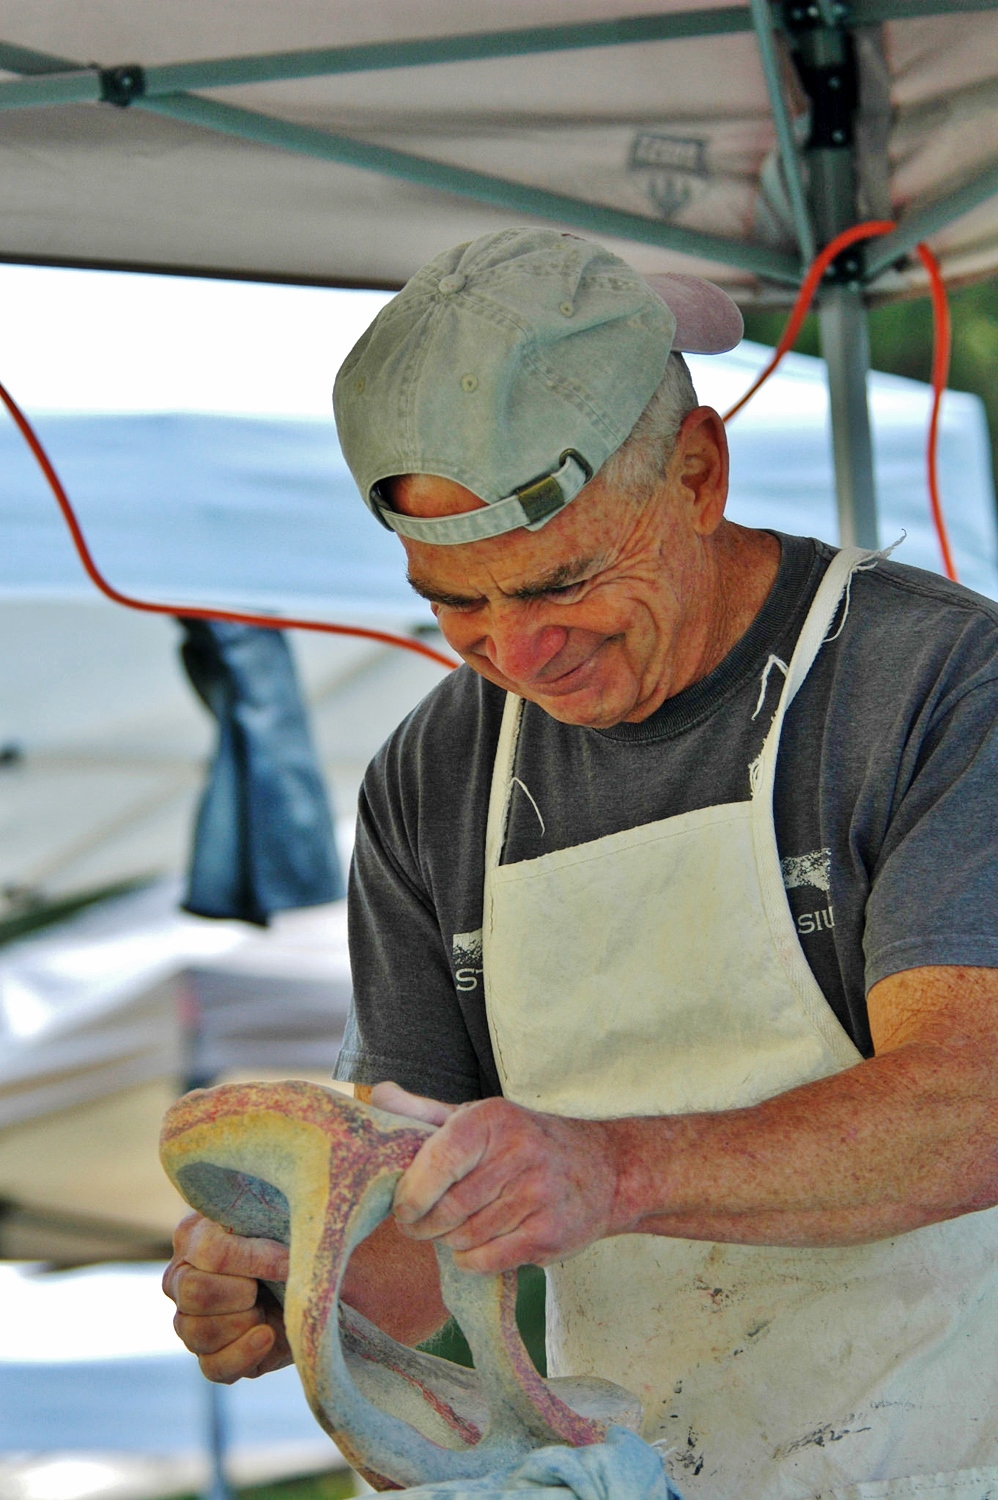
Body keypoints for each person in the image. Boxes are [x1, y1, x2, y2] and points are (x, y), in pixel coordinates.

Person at [164, 229, 998, 1499]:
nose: (517, 652)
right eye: (454, 601)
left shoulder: (930, 686)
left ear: (697, 470)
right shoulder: (429, 782)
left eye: (562, 580)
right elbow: (408, 1225)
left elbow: (972, 1104)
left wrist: (610, 1173)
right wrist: (298, 1276)